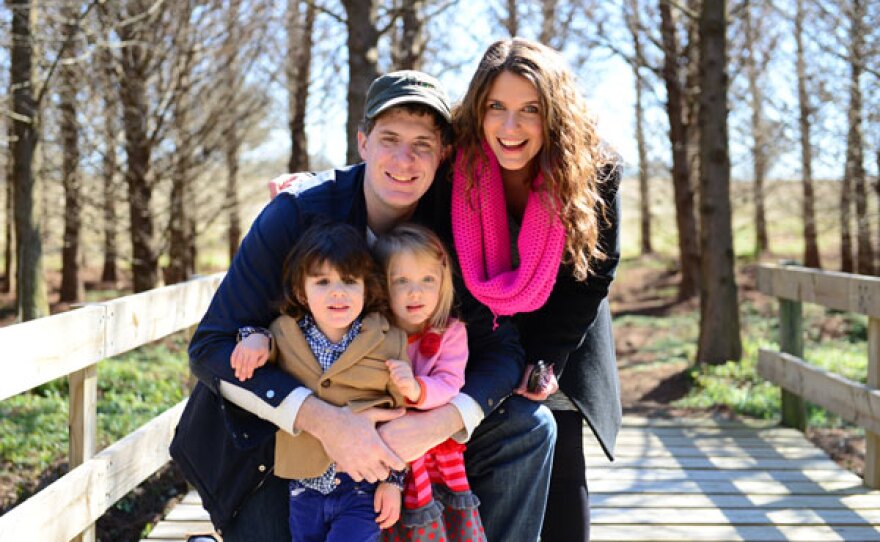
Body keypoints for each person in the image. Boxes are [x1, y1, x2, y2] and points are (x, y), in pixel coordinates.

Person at [170, 69, 554, 542]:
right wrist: (329, 424)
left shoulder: (454, 228)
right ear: (363, 142)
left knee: (530, 426)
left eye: (422, 145)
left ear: (444, 154)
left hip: (406, 429)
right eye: (389, 138)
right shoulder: (297, 214)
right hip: (278, 440)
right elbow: (209, 346)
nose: (404, 159)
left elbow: (502, 348)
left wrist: (434, 425)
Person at [450, 38, 622, 542]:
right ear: (477, 110)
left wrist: (546, 357)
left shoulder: (595, 168)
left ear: (554, 114)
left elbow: (593, 275)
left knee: (562, 456)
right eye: (496, 108)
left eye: (530, 110)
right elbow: (389, 163)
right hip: (481, 326)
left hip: (563, 328)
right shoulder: (455, 161)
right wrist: (310, 183)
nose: (510, 127)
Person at [228, 221, 408, 541]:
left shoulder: (389, 339)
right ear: (301, 291)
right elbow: (262, 345)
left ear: (366, 289)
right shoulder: (284, 332)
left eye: (349, 281)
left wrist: (393, 481)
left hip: (362, 485)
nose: (337, 291)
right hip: (303, 489)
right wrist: (252, 338)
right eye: (322, 281)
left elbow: (401, 416)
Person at [372, 224, 484, 541]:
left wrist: (416, 389)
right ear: (381, 286)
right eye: (401, 281)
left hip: (430, 449)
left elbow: (451, 382)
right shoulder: (372, 333)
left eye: (427, 280)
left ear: (442, 285)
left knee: (430, 525)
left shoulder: (449, 333)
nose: (415, 292)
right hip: (381, 442)